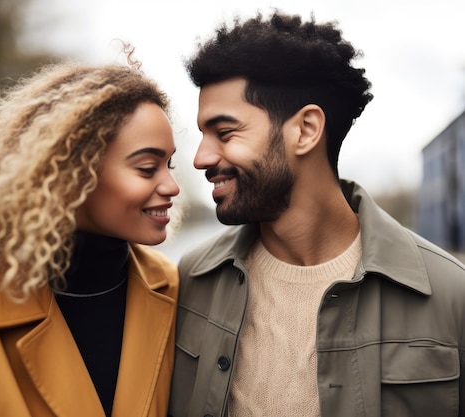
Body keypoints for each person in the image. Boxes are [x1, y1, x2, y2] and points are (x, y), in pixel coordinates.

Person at [168, 11, 465, 417]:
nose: (201, 158)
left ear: (306, 130)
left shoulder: (452, 295)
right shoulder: (188, 282)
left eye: (225, 132)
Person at [0, 59, 181, 417]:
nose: (171, 185)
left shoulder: (181, 294)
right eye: (148, 168)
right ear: (74, 172)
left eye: (171, 165)